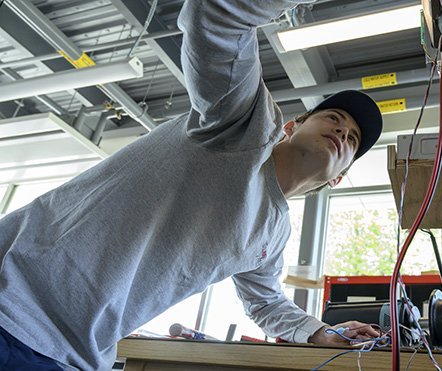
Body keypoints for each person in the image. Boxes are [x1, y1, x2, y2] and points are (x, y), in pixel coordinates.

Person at [0, 0, 385, 370]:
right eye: (333, 117)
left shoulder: (272, 235)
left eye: (352, 139)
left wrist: (319, 331)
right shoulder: (245, 125)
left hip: (70, 355)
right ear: (290, 127)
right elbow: (216, 13)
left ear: (337, 177)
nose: (341, 130)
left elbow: (266, 304)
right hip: (12, 300)